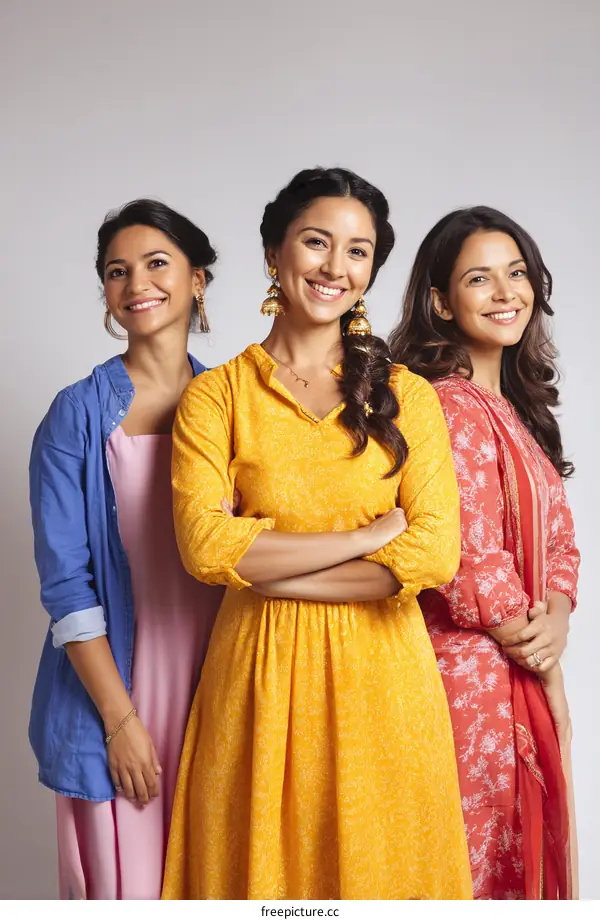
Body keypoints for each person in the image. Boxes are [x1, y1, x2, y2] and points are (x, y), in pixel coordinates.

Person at [161, 167, 472, 900]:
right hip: (258, 684)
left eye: (358, 251)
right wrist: (366, 538)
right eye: (316, 242)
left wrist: (269, 568)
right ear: (275, 252)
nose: (336, 267)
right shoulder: (217, 396)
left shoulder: (408, 396)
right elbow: (205, 547)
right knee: (267, 889)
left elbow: (432, 551)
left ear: (372, 270)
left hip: (385, 686)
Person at [28, 199, 223, 899]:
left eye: (157, 263)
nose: (137, 282)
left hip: (222, 682)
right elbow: (67, 589)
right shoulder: (75, 414)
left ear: (198, 279)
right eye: (117, 271)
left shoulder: (239, 403)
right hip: (119, 694)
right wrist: (120, 723)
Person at [389, 206, 580, 899]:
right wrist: (540, 656)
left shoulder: (517, 413)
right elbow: (466, 554)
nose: (506, 293)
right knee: (478, 867)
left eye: (517, 273)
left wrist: (556, 617)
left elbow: (560, 542)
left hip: (519, 663)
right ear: (441, 301)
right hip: (468, 680)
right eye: (480, 278)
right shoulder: (444, 404)